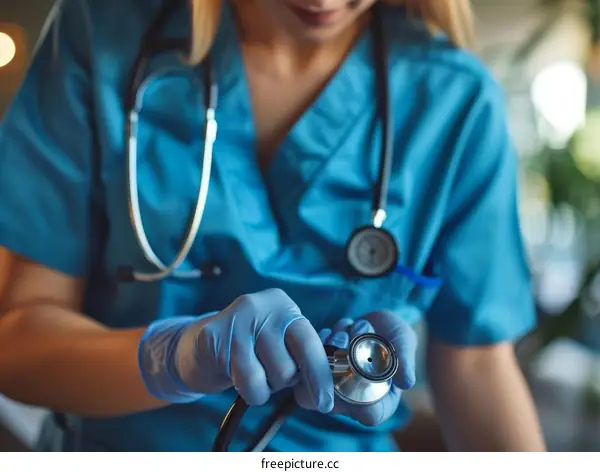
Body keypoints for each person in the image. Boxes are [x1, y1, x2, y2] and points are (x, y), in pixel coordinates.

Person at [0, 0, 546, 452]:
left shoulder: (454, 101)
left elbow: (476, 366)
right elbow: (18, 342)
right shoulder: (100, 33)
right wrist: (174, 357)